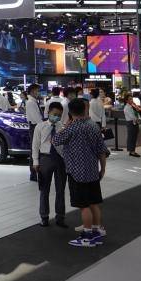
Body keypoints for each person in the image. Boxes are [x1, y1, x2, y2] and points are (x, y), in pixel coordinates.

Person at [53, 98, 108, 248]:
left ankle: (87, 236)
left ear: (70, 112)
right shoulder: (93, 125)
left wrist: (66, 126)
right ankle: (97, 230)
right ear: (85, 109)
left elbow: (55, 140)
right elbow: (102, 150)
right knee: (94, 202)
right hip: (92, 170)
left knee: (84, 206)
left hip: (77, 172)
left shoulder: (72, 128)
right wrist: (103, 169)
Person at [33, 101, 67, 228]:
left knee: (61, 190)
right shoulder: (40, 126)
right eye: (55, 114)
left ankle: (60, 217)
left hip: (60, 159)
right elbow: (35, 145)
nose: (57, 117)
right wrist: (35, 161)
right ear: (48, 113)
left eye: (59, 115)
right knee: (44, 190)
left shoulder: (62, 126)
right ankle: (44, 217)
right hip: (45, 159)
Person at [25, 84, 43, 182]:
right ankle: (33, 174)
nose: (38, 92)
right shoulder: (30, 103)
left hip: (36, 126)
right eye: (37, 90)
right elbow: (36, 118)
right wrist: (43, 126)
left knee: (36, 150)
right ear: (32, 91)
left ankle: (35, 174)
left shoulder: (33, 101)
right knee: (35, 150)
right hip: (35, 127)